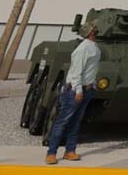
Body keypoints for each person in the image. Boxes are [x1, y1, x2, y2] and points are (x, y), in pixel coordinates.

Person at [44, 21, 101, 165]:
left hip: (87, 89)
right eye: (94, 29)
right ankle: (51, 153)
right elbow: (76, 71)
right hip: (75, 91)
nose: (97, 30)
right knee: (63, 121)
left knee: (76, 122)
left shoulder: (94, 47)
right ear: (90, 32)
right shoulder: (83, 49)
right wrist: (79, 90)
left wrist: (92, 85)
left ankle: (70, 151)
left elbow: (91, 70)